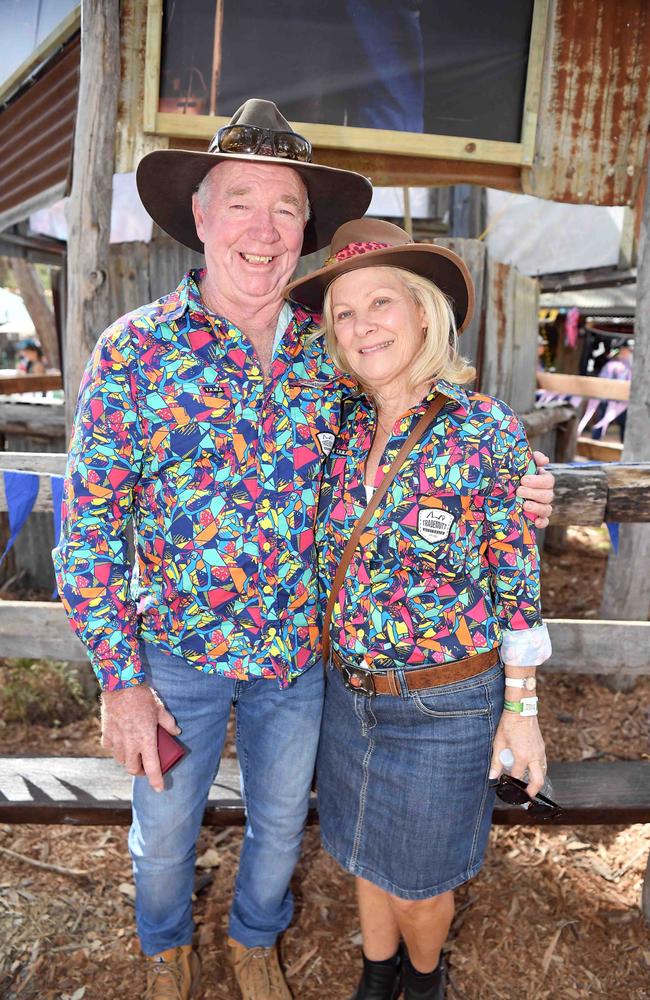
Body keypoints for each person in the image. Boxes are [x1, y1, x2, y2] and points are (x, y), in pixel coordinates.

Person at [53, 100, 554, 1000]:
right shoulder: (134, 353)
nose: (264, 227)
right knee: (164, 829)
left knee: (282, 824)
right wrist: (120, 678)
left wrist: (521, 482)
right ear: (199, 217)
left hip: (299, 655)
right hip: (175, 659)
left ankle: (254, 941)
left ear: (305, 232)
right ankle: (166, 949)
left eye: (286, 208)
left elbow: (427, 434)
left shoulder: (334, 354)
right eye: (241, 200)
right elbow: (87, 530)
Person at [285, 219, 552, 1000]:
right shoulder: (336, 428)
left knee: (421, 881)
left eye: (381, 302)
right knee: (363, 854)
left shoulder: (484, 433)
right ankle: (377, 973)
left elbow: (516, 587)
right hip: (348, 695)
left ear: (425, 313)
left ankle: (426, 979)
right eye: (343, 312)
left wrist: (522, 712)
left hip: (444, 707)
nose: (362, 325)